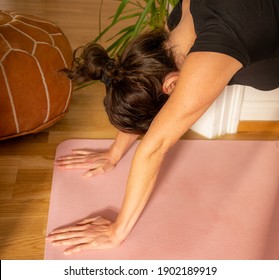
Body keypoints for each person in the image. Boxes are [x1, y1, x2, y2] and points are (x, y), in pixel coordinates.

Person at [47, 0, 279, 254]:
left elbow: (154, 147)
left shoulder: (215, 44)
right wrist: (114, 152)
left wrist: (116, 231)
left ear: (170, 86)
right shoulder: (180, 26)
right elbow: (143, 88)